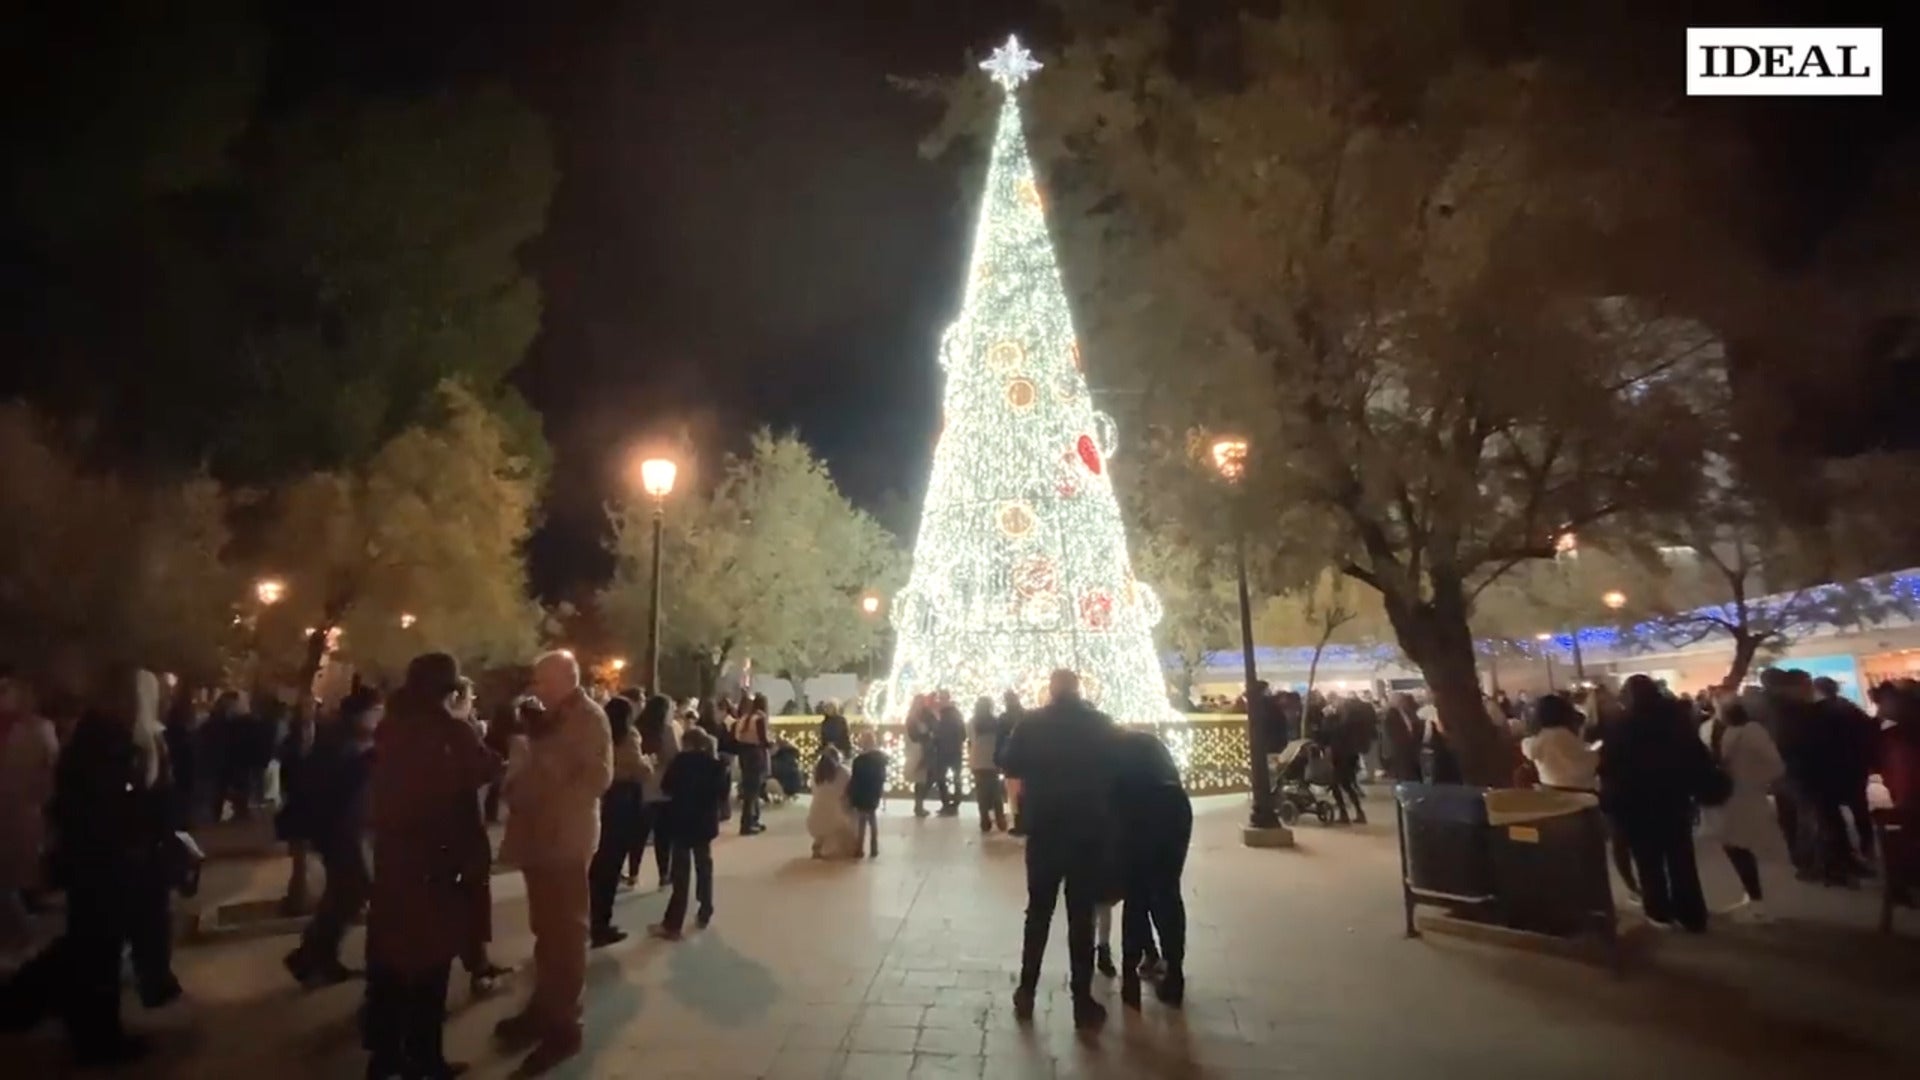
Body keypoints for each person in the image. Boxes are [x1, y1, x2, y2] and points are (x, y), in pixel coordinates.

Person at [494, 651, 614, 1073]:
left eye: (543, 680)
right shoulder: (548, 718)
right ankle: (544, 1009)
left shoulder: (587, 717)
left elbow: (597, 778)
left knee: (566, 934)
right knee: (546, 931)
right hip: (540, 839)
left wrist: (540, 757)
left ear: (566, 678)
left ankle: (565, 1025)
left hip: (564, 840)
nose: (536, 688)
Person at [999, 669, 1121, 1030]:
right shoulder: (1098, 724)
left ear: (1051, 691)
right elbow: (1116, 767)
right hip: (1086, 831)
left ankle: (1027, 990)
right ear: (1078, 689)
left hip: (1045, 829)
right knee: (1080, 916)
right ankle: (1082, 999)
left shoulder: (1032, 723)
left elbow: (1007, 761)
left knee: (1037, 914)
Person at [1599, 676, 1712, 932]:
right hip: (1674, 797)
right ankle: (1692, 913)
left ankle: (1659, 911)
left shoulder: (1621, 726)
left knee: (1648, 860)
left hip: (1636, 802)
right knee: (1681, 858)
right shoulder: (1675, 720)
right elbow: (1695, 755)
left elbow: (1610, 767)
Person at [284, 688, 380, 987]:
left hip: (342, 829)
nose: (381, 718)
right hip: (343, 830)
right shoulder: (344, 743)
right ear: (363, 713)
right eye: (377, 712)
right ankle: (313, 955)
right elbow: (341, 787)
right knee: (352, 892)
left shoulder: (343, 738)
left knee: (342, 895)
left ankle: (314, 956)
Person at [1112, 727, 1190, 1008]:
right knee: (1167, 892)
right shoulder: (1145, 742)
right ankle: (1174, 971)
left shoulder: (1108, 751)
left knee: (1135, 895)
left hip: (1139, 811)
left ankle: (1131, 975)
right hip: (1174, 807)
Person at [1700, 696, 1785, 923]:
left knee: (1741, 846)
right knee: (1735, 845)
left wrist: (1754, 781)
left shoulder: (1748, 732)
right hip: (1726, 798)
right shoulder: (1711, 730)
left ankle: (1757, 903)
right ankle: (1753, 897)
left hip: (1742, 798)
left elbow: (1775, 765)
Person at [0, 667, 57, 959]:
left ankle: (24, 935)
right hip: (12, 812)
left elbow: (51, 772)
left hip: (22, 813)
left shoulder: (38, 730)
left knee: (10, 880)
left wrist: (40, 803)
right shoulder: (14, 729)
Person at [651, 726, 726, 938]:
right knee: (704, 866)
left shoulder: (681, 762)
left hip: (682, 822)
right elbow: (722, 794)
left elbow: (666, 787)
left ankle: (673, 923)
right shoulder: (716, 764)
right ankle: (705, 909)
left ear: (687, 743)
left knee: (681, 873)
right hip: (705, 823)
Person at [589, 696, 645, 948]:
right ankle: (602, 924)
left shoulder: (598, 733)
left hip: (602, 798)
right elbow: (637, 766)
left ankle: (588, 918)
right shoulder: (629, 736)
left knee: (599, 864)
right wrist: (648, 765)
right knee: (612, 864)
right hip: (623, 799)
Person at [1815, 677, 1879, 870]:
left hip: (1831, 769)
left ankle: (1847, 853)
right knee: (1860, 809)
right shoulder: (1850, 708)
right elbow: (1869, 731)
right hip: (1855, 767)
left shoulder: (1818, 713)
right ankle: (1867, 847)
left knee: (1833, 814)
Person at [630, 694, 679, 889]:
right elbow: (674, 756)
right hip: (663, 787)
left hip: (642, 786)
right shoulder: (667, 730)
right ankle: (663, 874)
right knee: (663, 835)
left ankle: (633, 873)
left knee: (638, 834)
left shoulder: (637, 728)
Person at [807, 747, 861, 858]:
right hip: (835, 818)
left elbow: (814, 791)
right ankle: (854, 847)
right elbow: (848, 792)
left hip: (813, 819)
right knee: (852, 816)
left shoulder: (816, 773)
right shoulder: (844, 772)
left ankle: (819, 843)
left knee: (824, 814)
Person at [731, 693, 771, 835]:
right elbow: (763, 739)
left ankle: (753, 820)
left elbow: (736, 737)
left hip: (744, 754)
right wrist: (772, 744)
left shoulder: (743, 718)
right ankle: (747, 823)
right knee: (753, 790)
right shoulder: (760, 719)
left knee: (750, 787)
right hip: (756, 754)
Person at [968, 696, 1009, 833]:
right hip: (992, 759)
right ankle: (1000, 818)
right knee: (995, 790)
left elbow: (971, 740)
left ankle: (984, 819)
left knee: (981, 792)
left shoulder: (973, 723)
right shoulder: (996, 723)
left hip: (978, 759)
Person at [848, 731, 888, 858]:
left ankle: (859, 848)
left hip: (862, 792)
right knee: (872, 818)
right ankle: (874, 847)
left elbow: (855, 779)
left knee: (862, 821)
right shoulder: (880, 759)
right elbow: (882, 776)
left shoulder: (859, 761)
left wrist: (852, 795)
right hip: (874, 791)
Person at [933, 693, 968, 815]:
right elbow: (964, 734)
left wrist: (936, 742)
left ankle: (946, 803)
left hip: (943, 751)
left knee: (941, 778)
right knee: (956, 778)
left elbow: (937, 734)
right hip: (956, 751)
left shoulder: (941, 717)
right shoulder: (957, 715)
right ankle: (955, 803)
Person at [999, 691, 1027, 834]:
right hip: (1026, 760)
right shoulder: (1026, 716)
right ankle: (1026, 821)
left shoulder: (1003, 719)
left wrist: (999, 760)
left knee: (1013, 795)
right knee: (1023, 793)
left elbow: (999, 741)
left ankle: (1018, 824)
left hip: (1011, 761)